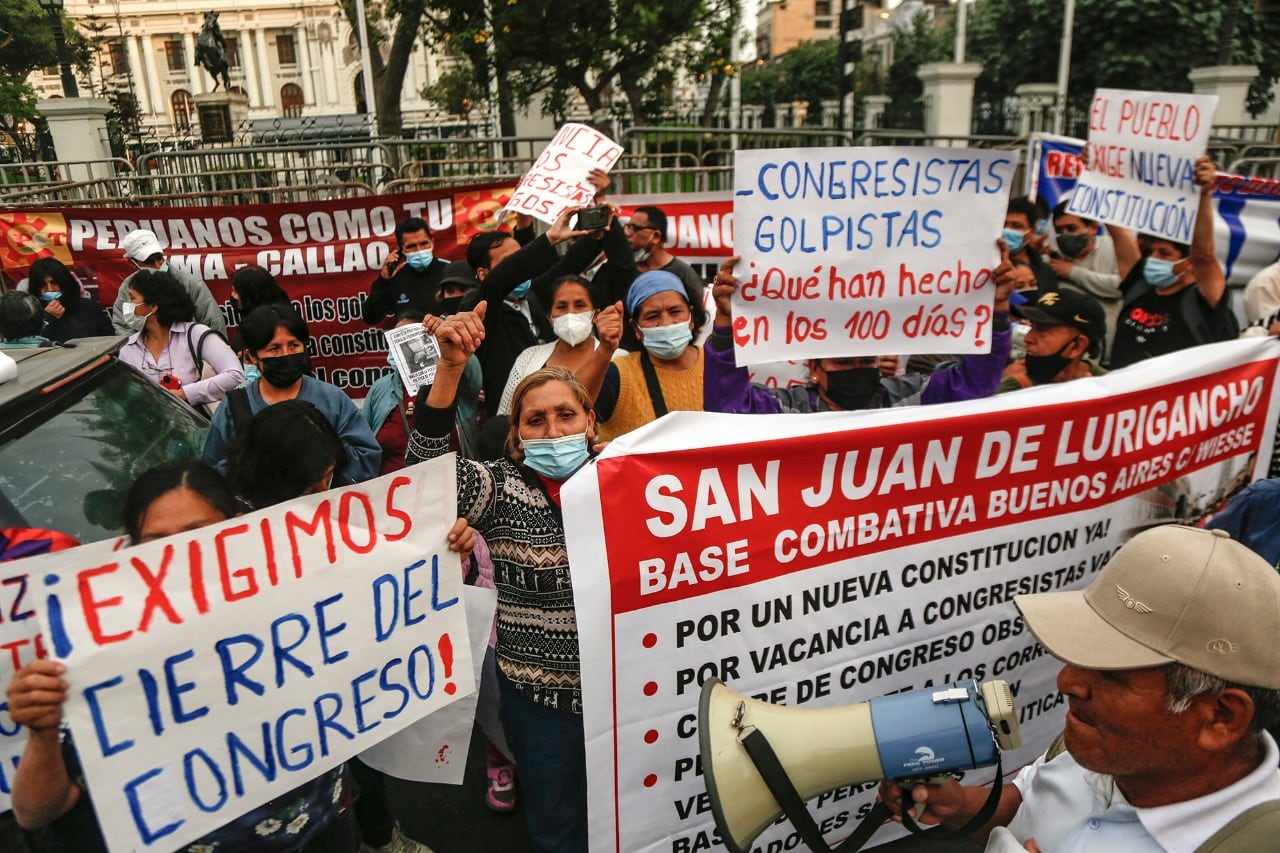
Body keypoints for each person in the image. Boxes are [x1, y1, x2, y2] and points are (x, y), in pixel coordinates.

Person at [8, 460, 358, 852]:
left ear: (239, 527)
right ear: (132, 555)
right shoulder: (109, 659)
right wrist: (41, 735)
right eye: (156, 544)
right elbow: (35, 814)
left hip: (326, 829)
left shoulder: (304, 594)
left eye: (198, 536)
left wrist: (440, 545)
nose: (177, 559)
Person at [878, 524, 1280, 851]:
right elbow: (1027, 806)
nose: (1067, 682)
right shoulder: (1100, 742)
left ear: (1221, 718)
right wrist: (962, 806)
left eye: (1114, 675)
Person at [407, 303, 595, 852]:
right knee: (555, 820)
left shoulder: (627, 479)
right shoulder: (498, 487)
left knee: (625, 808)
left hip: (625, 687)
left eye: (566, 415)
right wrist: (448, 370)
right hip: (538, 699)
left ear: (590, 422)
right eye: (536, 420)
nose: (553, 429)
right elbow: (426, 476)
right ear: (516, 433)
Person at [703, 250, 1013, 414]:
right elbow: (730, 407)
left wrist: (996, 312)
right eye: (843, 363)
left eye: (867, 361)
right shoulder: (787, 409)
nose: (857, 370)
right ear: (814, 370)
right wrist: (727, 325)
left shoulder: (907, 397)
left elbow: (975, 383)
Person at [201, 304, 380, 480]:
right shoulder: (235, 407)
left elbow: (368, 460)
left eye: (294, 345)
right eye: (274, 349)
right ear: (251, 357)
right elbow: (210, 473)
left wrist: (320, 451)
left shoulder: (332, 399)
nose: (286, 354)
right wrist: (254, 463)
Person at [1108, 155, 1238, 370]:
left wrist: (1204, 193)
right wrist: (1100, 173)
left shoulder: (1202, 301)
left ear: (1189, 263)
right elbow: (1117, 232)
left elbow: (1204, 255)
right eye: (1153, 252)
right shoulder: (1139, 285)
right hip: (1125, 398)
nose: (1153, 259)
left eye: (1165, 253)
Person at [460, 209, 591, 419]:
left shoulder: (532, 297)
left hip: (558, 407)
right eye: (512, 260)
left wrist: (597, 233)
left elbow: (569, 265)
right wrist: (548, 239)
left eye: (523, 254)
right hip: (513, 418)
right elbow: (497, 282)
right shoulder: (480, 307)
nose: (522, 266)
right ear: (483, 273)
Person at [594, 269, 708, 441]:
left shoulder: (719, 364)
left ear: (691, 318)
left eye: (675, 311)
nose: (666, 323)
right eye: (652, 316)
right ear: (636, 329)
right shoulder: (619, 375)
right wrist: (604, 349)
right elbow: (573, 409)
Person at [117, 269, 244, 411]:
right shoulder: (128, 348)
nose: (126, 304)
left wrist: (186, 393)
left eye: (132, 298)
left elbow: (235, 374)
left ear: (153, 306)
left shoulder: (195, 335)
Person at [497, 274, 624, 416]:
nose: (570, 313)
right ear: (550, 318)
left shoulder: (620, 359)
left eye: (580, 305)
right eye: (561, 307)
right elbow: (506, 419)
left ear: (595, 315)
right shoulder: (527, 359)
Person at [112, 228, 226, 335]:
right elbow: (123, 327)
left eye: (159, 258)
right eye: (149, 261)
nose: (157, 265)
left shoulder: (191, 284)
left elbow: (214, 326)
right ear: (132, 263)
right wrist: (137, 352)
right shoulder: (127, 289)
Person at [1048, 200, 1122, 358]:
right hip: (1067, 356)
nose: (1066, 234)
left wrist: (1072, 272)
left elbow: (1120, 287)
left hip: (1110, 351)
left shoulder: (1115, 248)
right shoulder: (1052, 259)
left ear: (1093, 227)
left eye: (1072, 228)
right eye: (1060, 230)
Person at [999, 288, 1107, 392]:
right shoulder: (1009, 392)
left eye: (1043, 330)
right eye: (1032, 326)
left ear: (1077, 345)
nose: (1028, 338)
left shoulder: (1112, 387)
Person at [363, 217, 450, 324]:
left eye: (424, 243)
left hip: (445, 338)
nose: (419, 250)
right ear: (401, 249)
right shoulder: (396, 276)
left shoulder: (450, 271)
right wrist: (383, 281)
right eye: (411, 246)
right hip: (410, 339)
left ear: (432, 243)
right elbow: (371, 317)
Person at [26, 258, 112, 342]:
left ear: (64, 282)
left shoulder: (87, 307)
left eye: (54, 283)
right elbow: (27, 345)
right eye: (42, 285)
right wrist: (47, 318)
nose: (50, 289)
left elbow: (110, 340)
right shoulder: (29, 314)